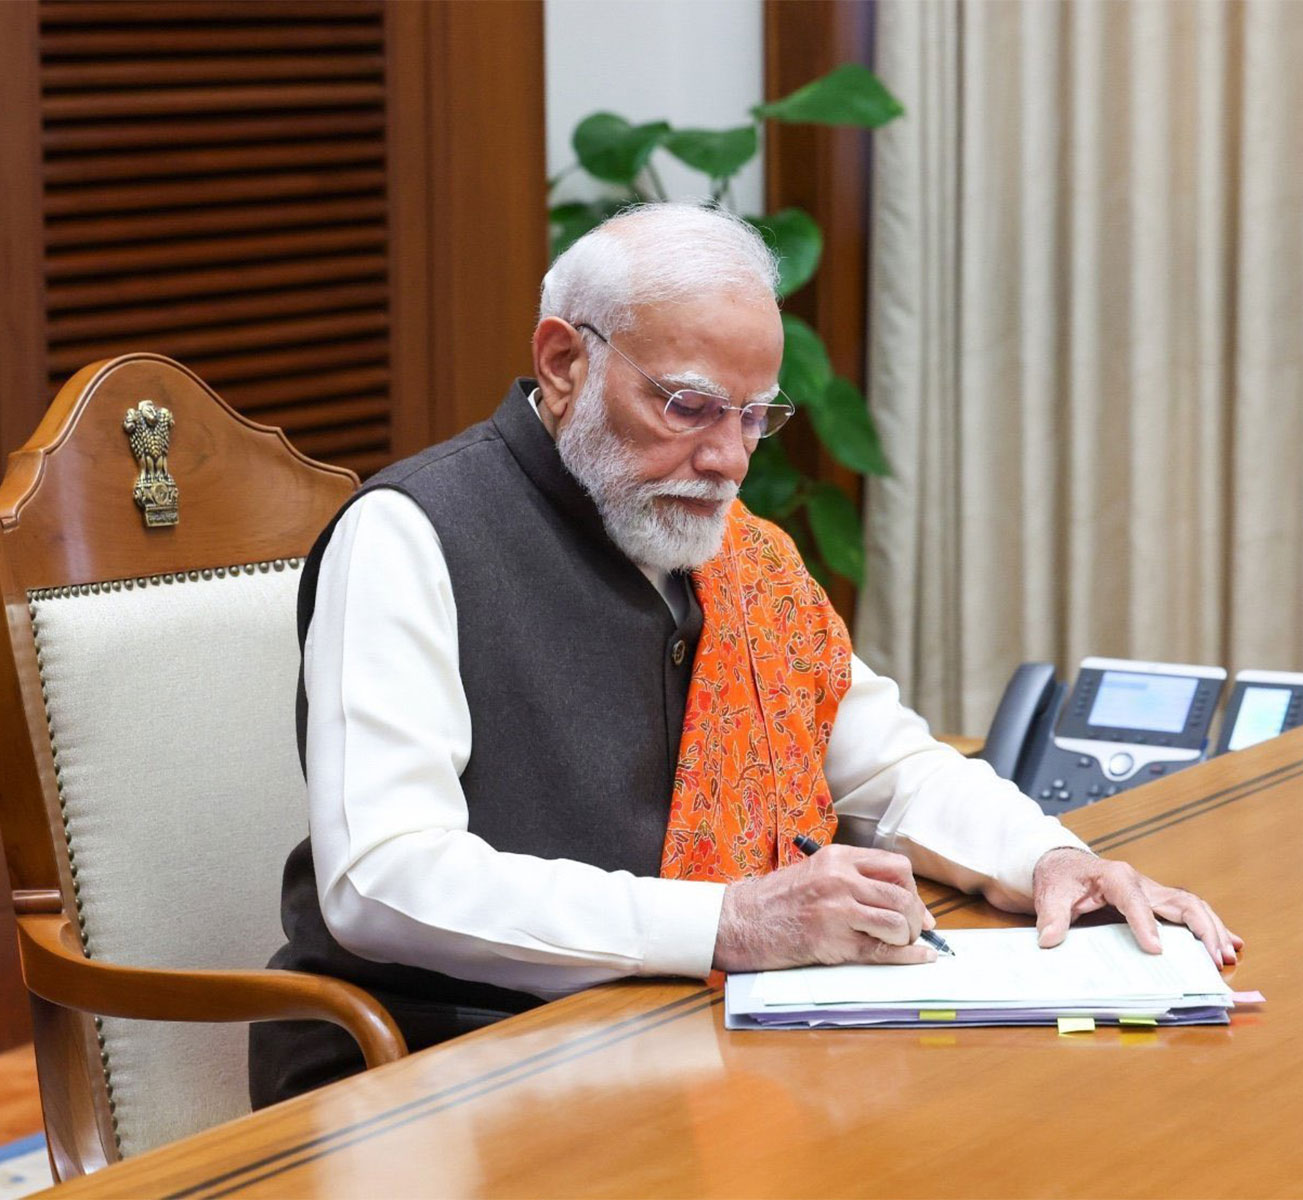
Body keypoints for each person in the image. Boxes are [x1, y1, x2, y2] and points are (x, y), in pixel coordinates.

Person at [248, 203, 1242, 1107]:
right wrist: (728, 925)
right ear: (563, 363)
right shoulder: (413, 534)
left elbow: (890, 766)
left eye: (753, 415)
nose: (727, 458)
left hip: (691, 1038)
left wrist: (1049, 856)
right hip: (444, 1071)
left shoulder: (738, 552)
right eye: (687, 407)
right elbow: (382, 880)